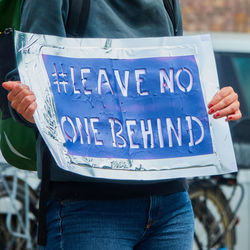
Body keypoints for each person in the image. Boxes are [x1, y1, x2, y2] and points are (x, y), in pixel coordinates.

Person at [2, 0, 242, 249]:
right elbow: (28, 71)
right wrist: (27, 105)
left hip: (172, 207)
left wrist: (219, 102)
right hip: (91, 209)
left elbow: (169, 82)